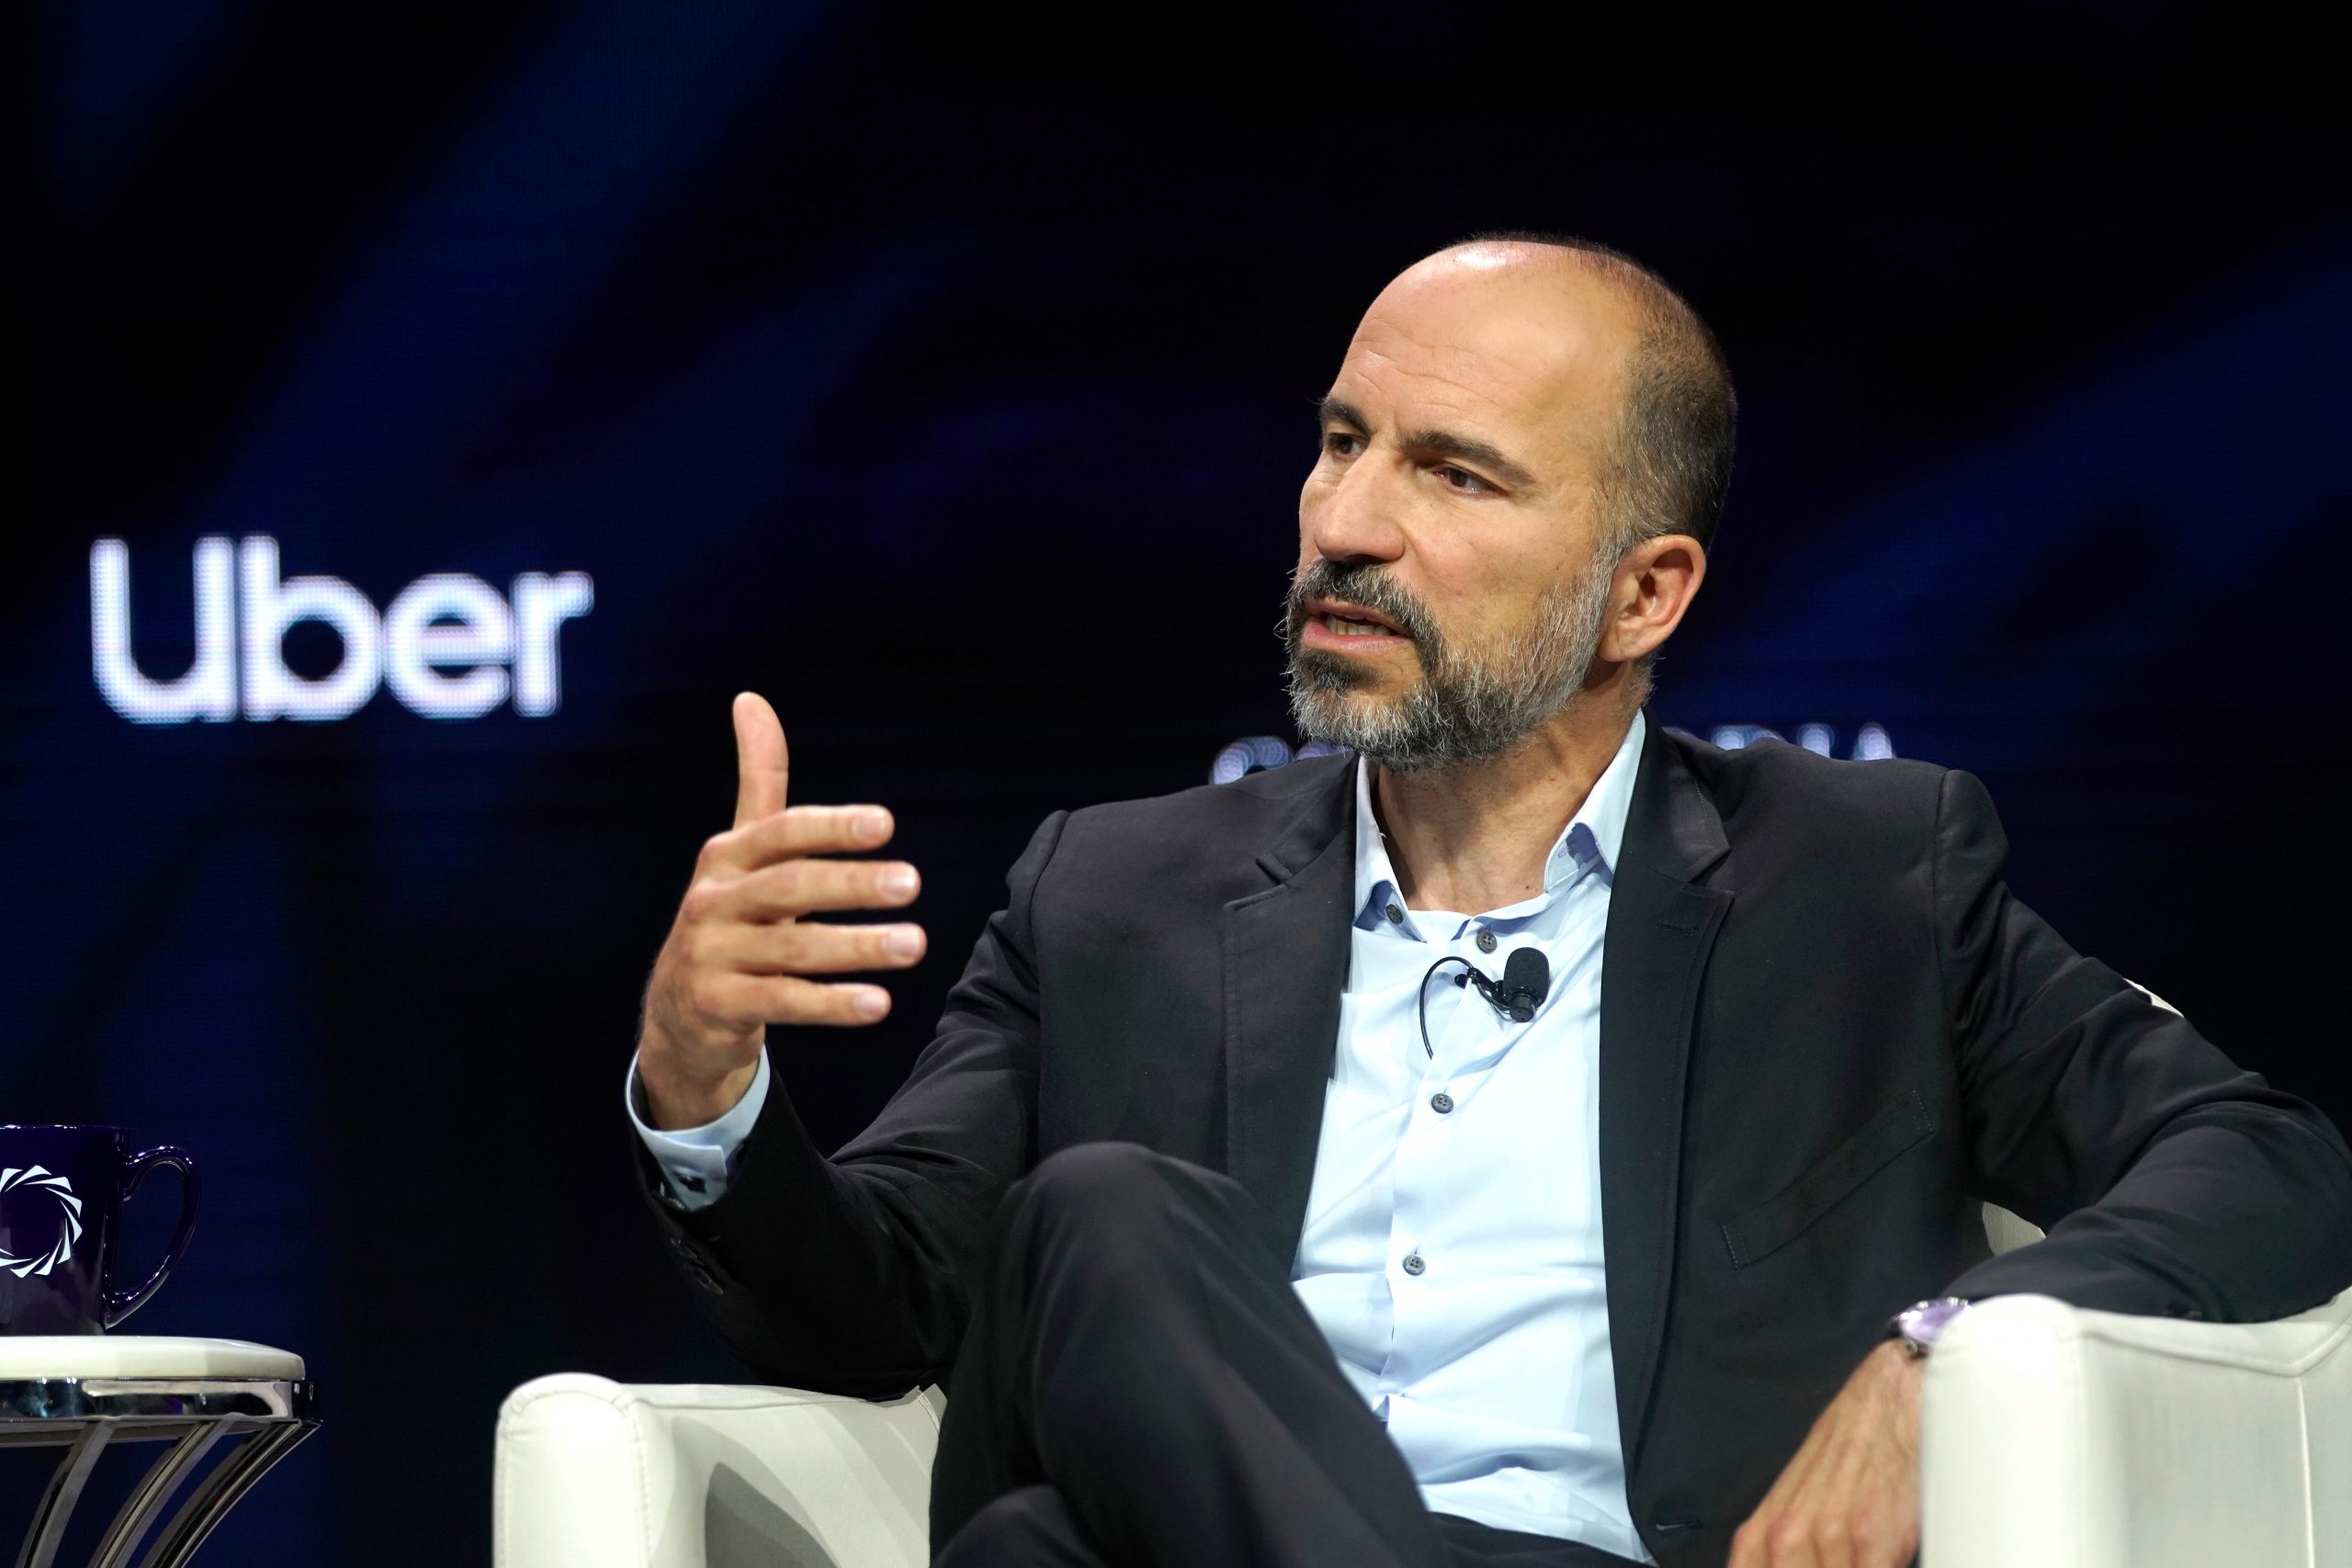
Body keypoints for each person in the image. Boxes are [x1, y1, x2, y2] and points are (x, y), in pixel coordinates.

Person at [623, 235, 2352, 1568]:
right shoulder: (1118, 895)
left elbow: (2266, 1164)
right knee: (1100, 1242)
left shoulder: (1865, 883)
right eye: (1341, 442)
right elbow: (879, 1307)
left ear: (1643, 593)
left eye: (1454, 474)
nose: (1348, 522)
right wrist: (709, 1094)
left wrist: (1942, 1346)